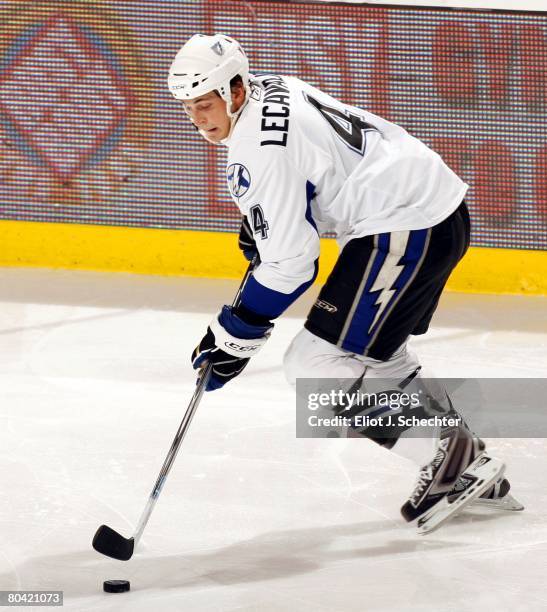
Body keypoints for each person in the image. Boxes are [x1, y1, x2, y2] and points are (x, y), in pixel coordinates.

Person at [167, 34, 522, 531]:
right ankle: (469, 463)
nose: (199, 119)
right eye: (189, 108)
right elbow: (312, 168)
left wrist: (237, 332)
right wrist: (269, 222)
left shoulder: (254, 149)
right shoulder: (274, 86)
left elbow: (292, 264)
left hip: (405, 226)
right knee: (378, 358)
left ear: (234, 90)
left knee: (312, 365)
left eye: (205, 104)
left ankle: (449, 463)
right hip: (432, 210)